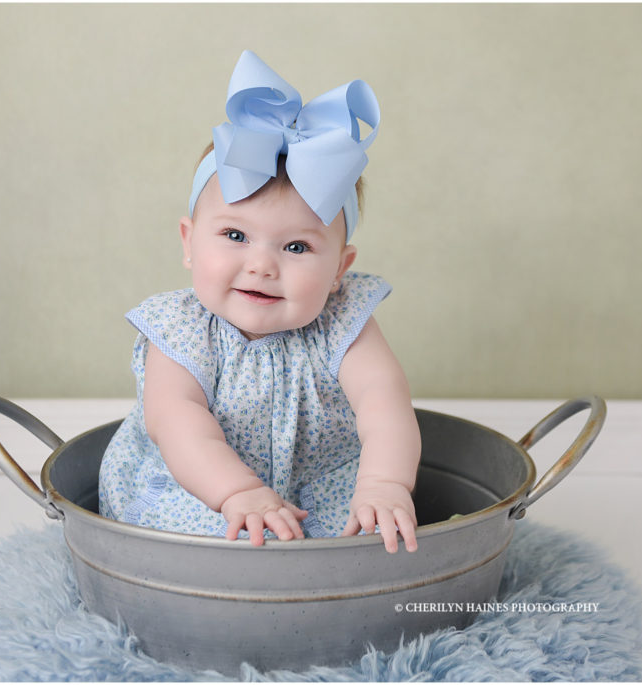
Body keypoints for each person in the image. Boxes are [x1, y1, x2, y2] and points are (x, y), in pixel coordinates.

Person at [99, 51, 421, 553]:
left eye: (297, 247)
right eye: (234, 234)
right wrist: (239, 493)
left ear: (339, 268)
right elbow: (177, 421)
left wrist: (384, 483)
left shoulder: (345, 322)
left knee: (369, 540)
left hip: (324, 490)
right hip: (200, 489)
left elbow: (385, 403)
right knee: (201, 548)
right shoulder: (180, 329)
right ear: (189, 242)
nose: (262, 266)